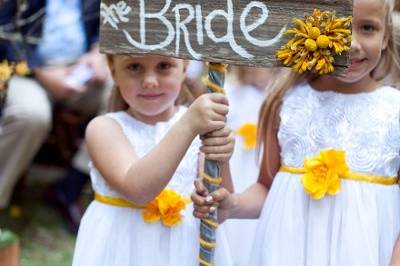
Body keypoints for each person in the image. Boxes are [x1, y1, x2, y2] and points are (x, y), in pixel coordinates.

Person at [192, 0, 400, 265]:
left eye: (368, 28)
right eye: (339, 27)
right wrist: (233, 204)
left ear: (385, 37)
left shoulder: (395, 110)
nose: (352, 44)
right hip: (288, 250)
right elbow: (266, 188)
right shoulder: (285, 101)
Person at [72, 54, 235, 266]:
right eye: (134, 66)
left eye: (164, 66)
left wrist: (212, 191)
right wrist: (188, 125)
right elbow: (137, 190)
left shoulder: (201, 127)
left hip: (184, 250)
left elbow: (222, 210)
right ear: (113, 70)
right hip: (122, 250)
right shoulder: (103, 128)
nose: (149, 80)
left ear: (185, 66)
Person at [0, 0, 109, 217]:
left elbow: (107, 21)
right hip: (28, 72)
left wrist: (98, 52)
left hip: (80, 69)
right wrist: (40, 71)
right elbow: (4, 30)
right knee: (30, 114)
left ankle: (69, 187)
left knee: (124, 94)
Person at [223, 66, 277, 266]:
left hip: (260, 162)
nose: (258, 71)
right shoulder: (233, 93)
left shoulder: (274, 95)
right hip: (238, 164)